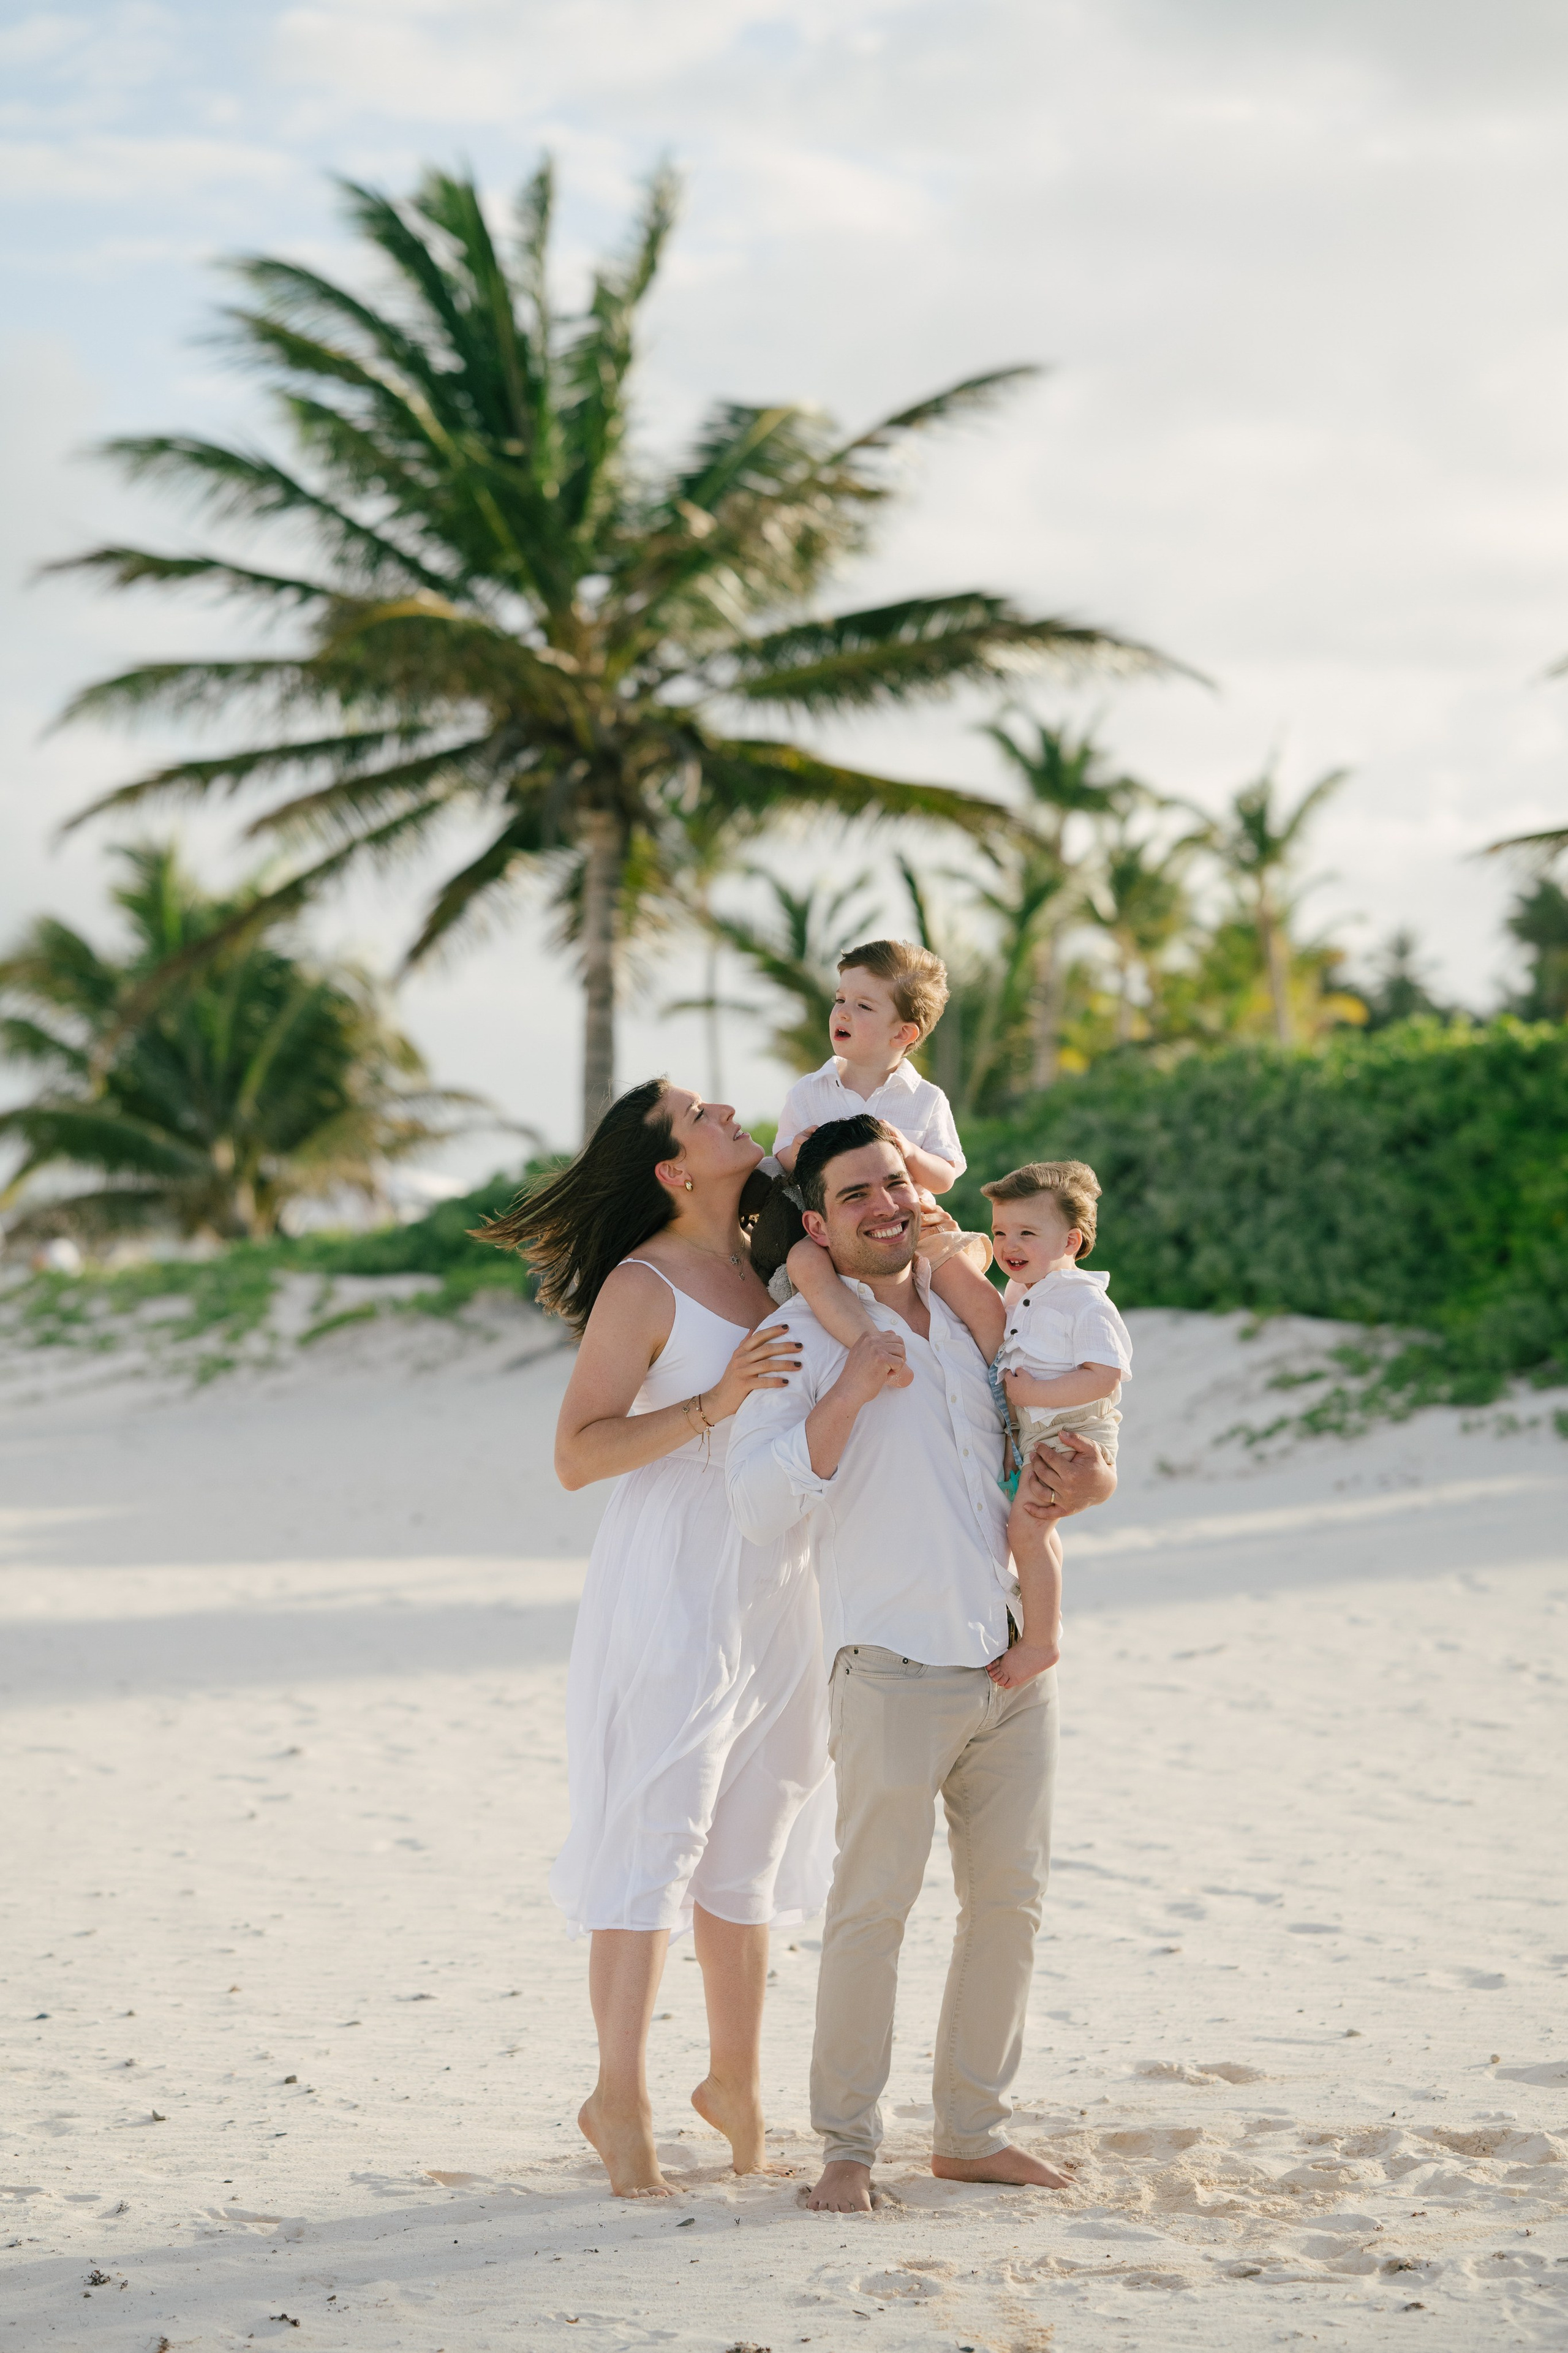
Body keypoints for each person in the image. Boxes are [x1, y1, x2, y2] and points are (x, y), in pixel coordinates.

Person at [725, 1116, 1116, 2213]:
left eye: (895, 1182)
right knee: (872, 1912)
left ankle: (971, 2133)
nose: (887, 1204)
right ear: (817, 1222)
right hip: (890, 1669)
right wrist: (850, 1388)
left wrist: (1076, 1485)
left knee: (1012, 1905)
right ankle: (846, 2147)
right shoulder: (803, 1338)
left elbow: (1041, 1459)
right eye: (856, 1195)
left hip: (1009, 1667)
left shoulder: (977, 1320)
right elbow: (755, 1507)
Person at [476, 1079, 833, 2199]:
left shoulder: (773, 1263)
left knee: (755, 1836)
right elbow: (577, 1454)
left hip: (781, 1578)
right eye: (697, 1111)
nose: (726, 1106)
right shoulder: (646, 1284)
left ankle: (736, 2082)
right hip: (675, 1575)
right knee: (658, 1827)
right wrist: (714, 1403)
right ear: (674, 1171)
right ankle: (617, 2094)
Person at [984, 1160, 1133, 1691]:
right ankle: (1039, 1618)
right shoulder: (1020, 1289)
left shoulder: (1082, 1298)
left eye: (1027, 1232)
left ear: (1071, 1240)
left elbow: (1106, 1373)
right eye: (1001, 1231)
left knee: (1028, 1526)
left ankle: (1042, 1640)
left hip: (1074, 1429)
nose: (1008, 1243)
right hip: (1042, 1429)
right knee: (1035, 1529)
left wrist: (1035, 1394)